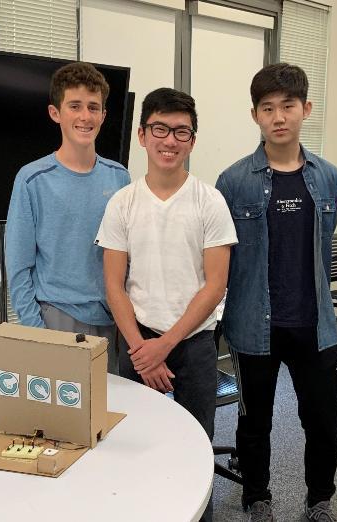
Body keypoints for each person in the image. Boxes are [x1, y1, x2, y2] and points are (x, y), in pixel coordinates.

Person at [95, 87, 237, 522]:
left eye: (181, 132)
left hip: (193, 344)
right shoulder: (123, 203)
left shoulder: (209, 200)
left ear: (192, 140)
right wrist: (143, 348)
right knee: (136, 441)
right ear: (142, 135)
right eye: (160, 129)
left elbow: (215, 286)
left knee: (197, 442)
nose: (169, 140)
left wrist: (165, 345)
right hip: (136, 341)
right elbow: (113, 286)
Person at [215, 63, 337, 522]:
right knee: (254, 424)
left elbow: (322, 250)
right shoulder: (233, 182)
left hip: (316, 325)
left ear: (305, 108)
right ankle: (257, 497)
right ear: (255, 115)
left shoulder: (327, 177)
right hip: (253, 325)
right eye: (267, 108)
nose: (279, 116)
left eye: (288, 105)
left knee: (324, 423)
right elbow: (223, 259)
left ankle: (319, 500)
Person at [5, 62, 130, 373]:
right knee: (62, 418)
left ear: (103, 114)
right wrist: (38, 333)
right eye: (74, 106)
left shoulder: (120, 178)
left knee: (111, 412)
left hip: (113, 321)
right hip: (56, 319)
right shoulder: (32, 179)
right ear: (55, 113)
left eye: (93, 107)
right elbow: (19, 268)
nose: (85, 116)